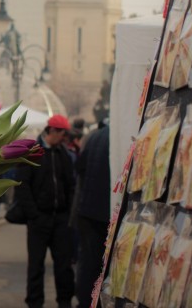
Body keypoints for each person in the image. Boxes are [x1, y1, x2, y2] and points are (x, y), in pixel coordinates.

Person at [14, 114, 76, 308]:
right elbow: (22, 185)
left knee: (64, 265)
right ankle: (34, 302)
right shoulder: (32, 152)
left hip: (60, 219)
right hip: (39, 219)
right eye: (63, 135)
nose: (64, 139)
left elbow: (70, 185)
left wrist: (69, 213)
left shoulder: (63, 154)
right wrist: (33, 214)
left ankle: (64, 301)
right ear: (53, 131)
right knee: (36, 264)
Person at [74, 121, 110, 308]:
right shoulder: (119, 137)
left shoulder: (95, 136)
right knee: (99, 265)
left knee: (87, 261)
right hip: (104, 212)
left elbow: (80, 166)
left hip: (87, 209)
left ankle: (83, 301)